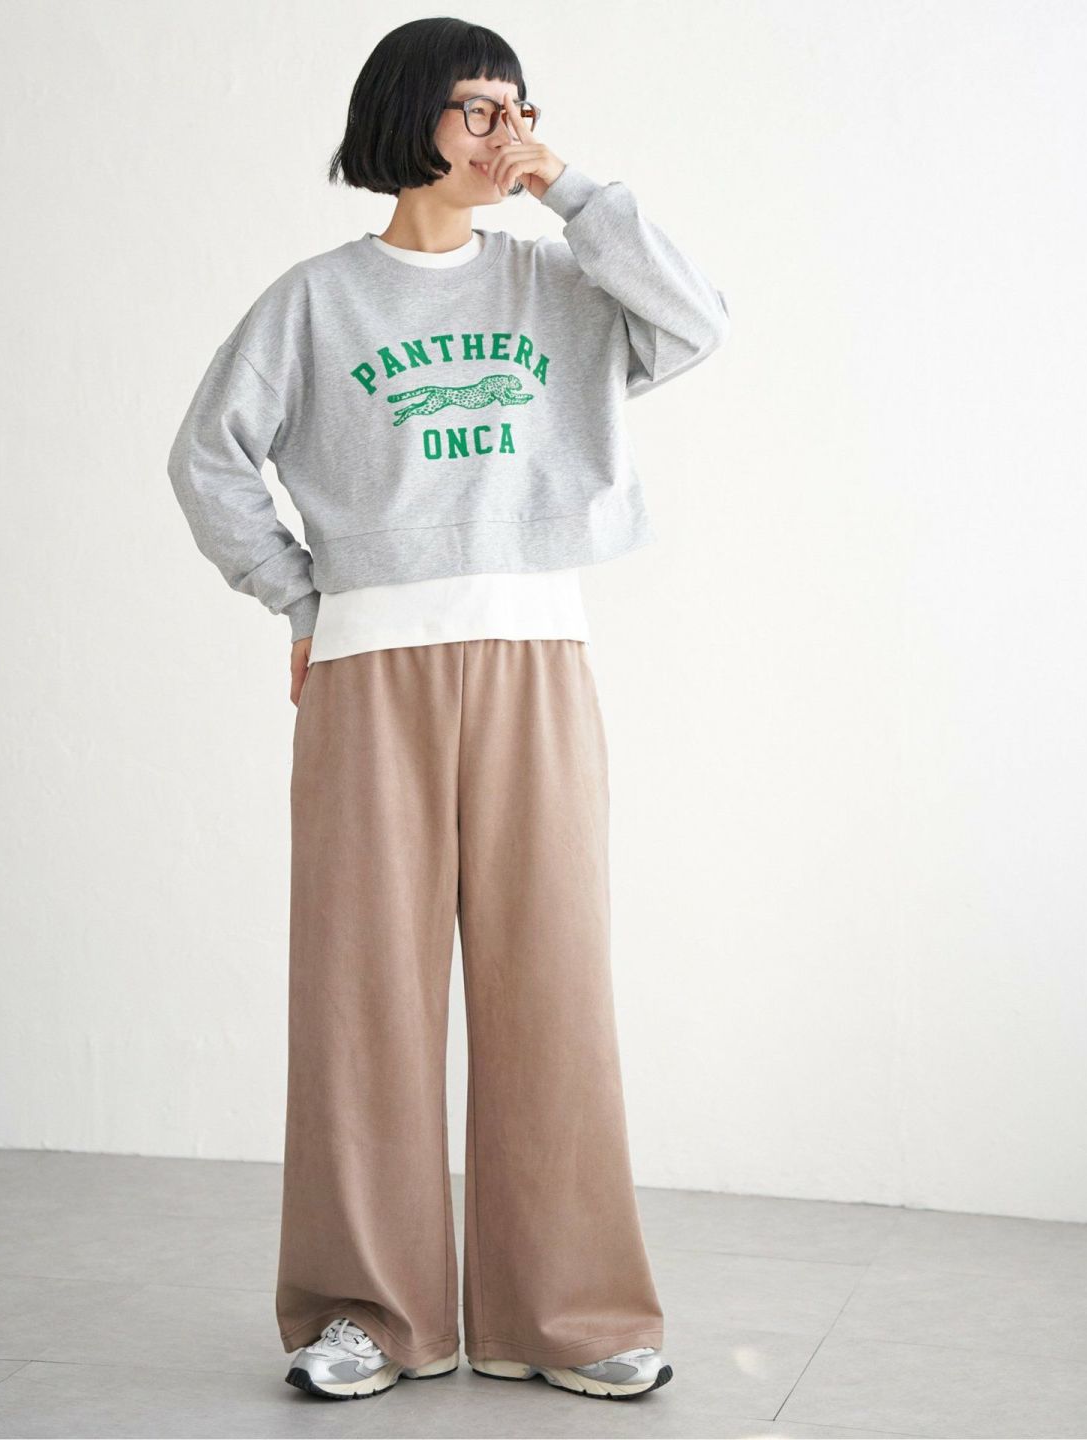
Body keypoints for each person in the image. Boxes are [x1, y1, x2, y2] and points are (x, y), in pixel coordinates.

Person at [166, 15, 730, 1405]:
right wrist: (296, 598)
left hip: (536, 656)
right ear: (408, 116)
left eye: (519, 108)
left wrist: (571, 189)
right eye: (478, 108)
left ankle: (569, 1315)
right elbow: (207, 458)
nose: (505, 132)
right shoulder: (315, 302)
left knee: (554, 983)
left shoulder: (561, 283)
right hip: (369, 669)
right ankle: (370, 1313)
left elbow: (697, 323)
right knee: (363, 992)